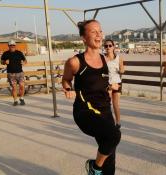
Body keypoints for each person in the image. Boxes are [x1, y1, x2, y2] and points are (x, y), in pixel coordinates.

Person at [62, 20, 121, 175]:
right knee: (114, 135)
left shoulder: (105, 60)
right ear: (83, 37)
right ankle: (95, 168)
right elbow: (66, 79)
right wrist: (68, 89)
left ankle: (100, 169)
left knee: (110, 156)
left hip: (104, 110)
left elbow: (99, 82)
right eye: (94, 31)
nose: (99, 35)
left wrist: (111, 86)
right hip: (85, 111)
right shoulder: (75, 62)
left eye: (100, 31)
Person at [104, 39, 125, 128]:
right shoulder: (103, 58)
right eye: (106, 46)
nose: (108, 47)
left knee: (116, 104)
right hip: (107, 84)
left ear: (113, 47)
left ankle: (118, 122)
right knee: (107, 104)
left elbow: (122, 69)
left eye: (110, 45)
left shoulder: (119, 58)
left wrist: (121, 71)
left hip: (117, 83)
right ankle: (109, 122)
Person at [1, 40, 27, 106]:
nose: (12, 46)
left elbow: (25, 60)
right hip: (11, 73)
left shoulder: (19, 53)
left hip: (20, 73)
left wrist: (24, 62)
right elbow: (1, 61)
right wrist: (4, 62)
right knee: (14, 88)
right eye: (11, 45)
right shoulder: (5, 53)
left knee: (22, 86)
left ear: (15, 46)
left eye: (13, 45)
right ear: (8, 46)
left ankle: (21, 98)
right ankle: (15, 100)